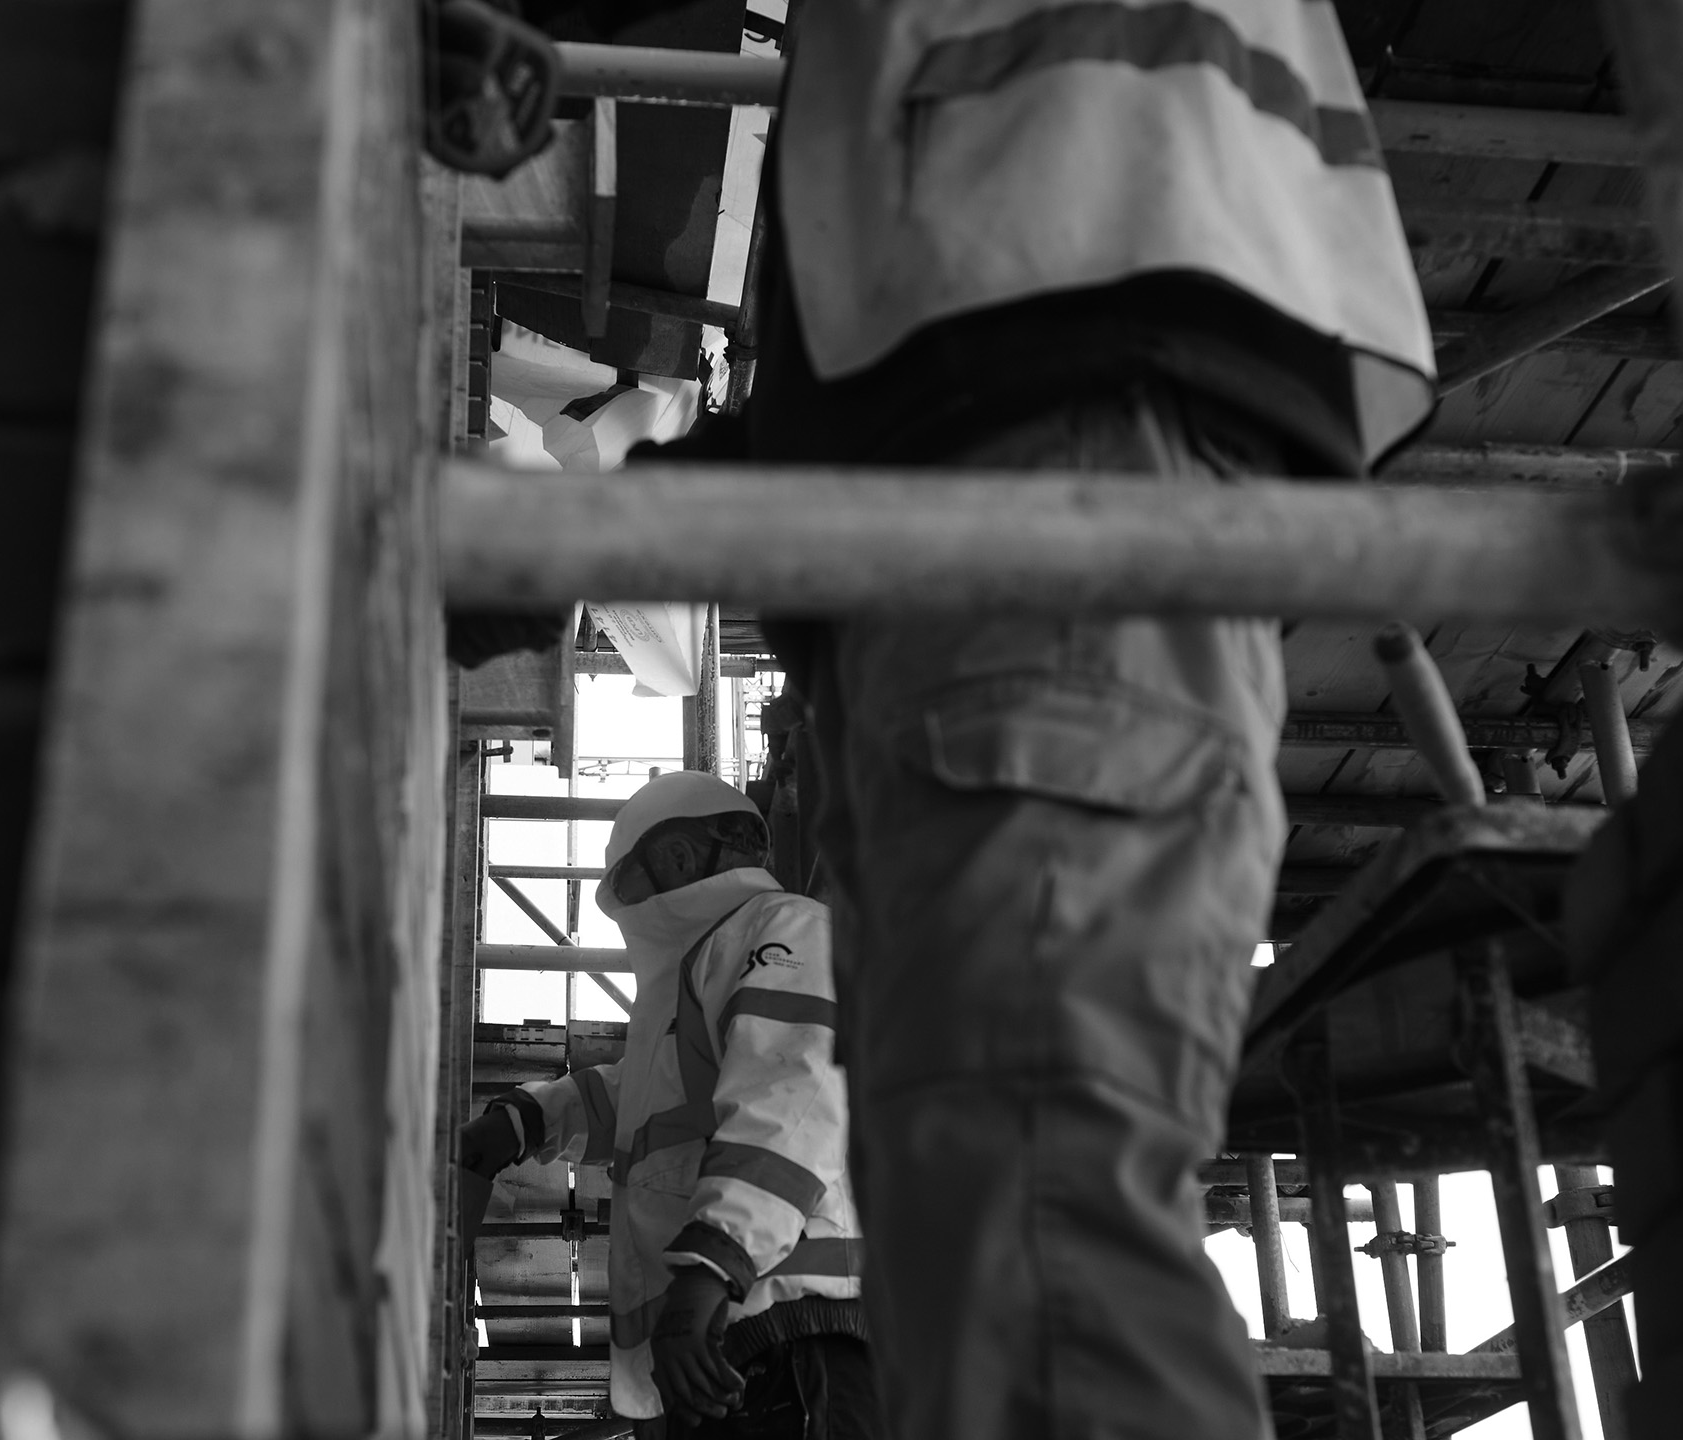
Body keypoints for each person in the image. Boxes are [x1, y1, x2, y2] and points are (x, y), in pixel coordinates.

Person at [440, 4, 1437, 1436]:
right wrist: (602, 542)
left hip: (1042, 546)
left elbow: (960, 365)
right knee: (1000, 1225)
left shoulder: (1012, 118)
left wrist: (604, 540)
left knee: (1033, 1226)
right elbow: (897, 385)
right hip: (1029, 559)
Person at [458, 773, 877, 1437]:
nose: (627, 907)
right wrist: (531, 1118)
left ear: (678, 860)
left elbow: (794, 1091)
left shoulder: (780, 929)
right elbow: (647, 1107)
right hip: (721, 1353)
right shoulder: (704, 975)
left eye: (627, 885)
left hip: (787, 1325)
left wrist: (712, 1266)